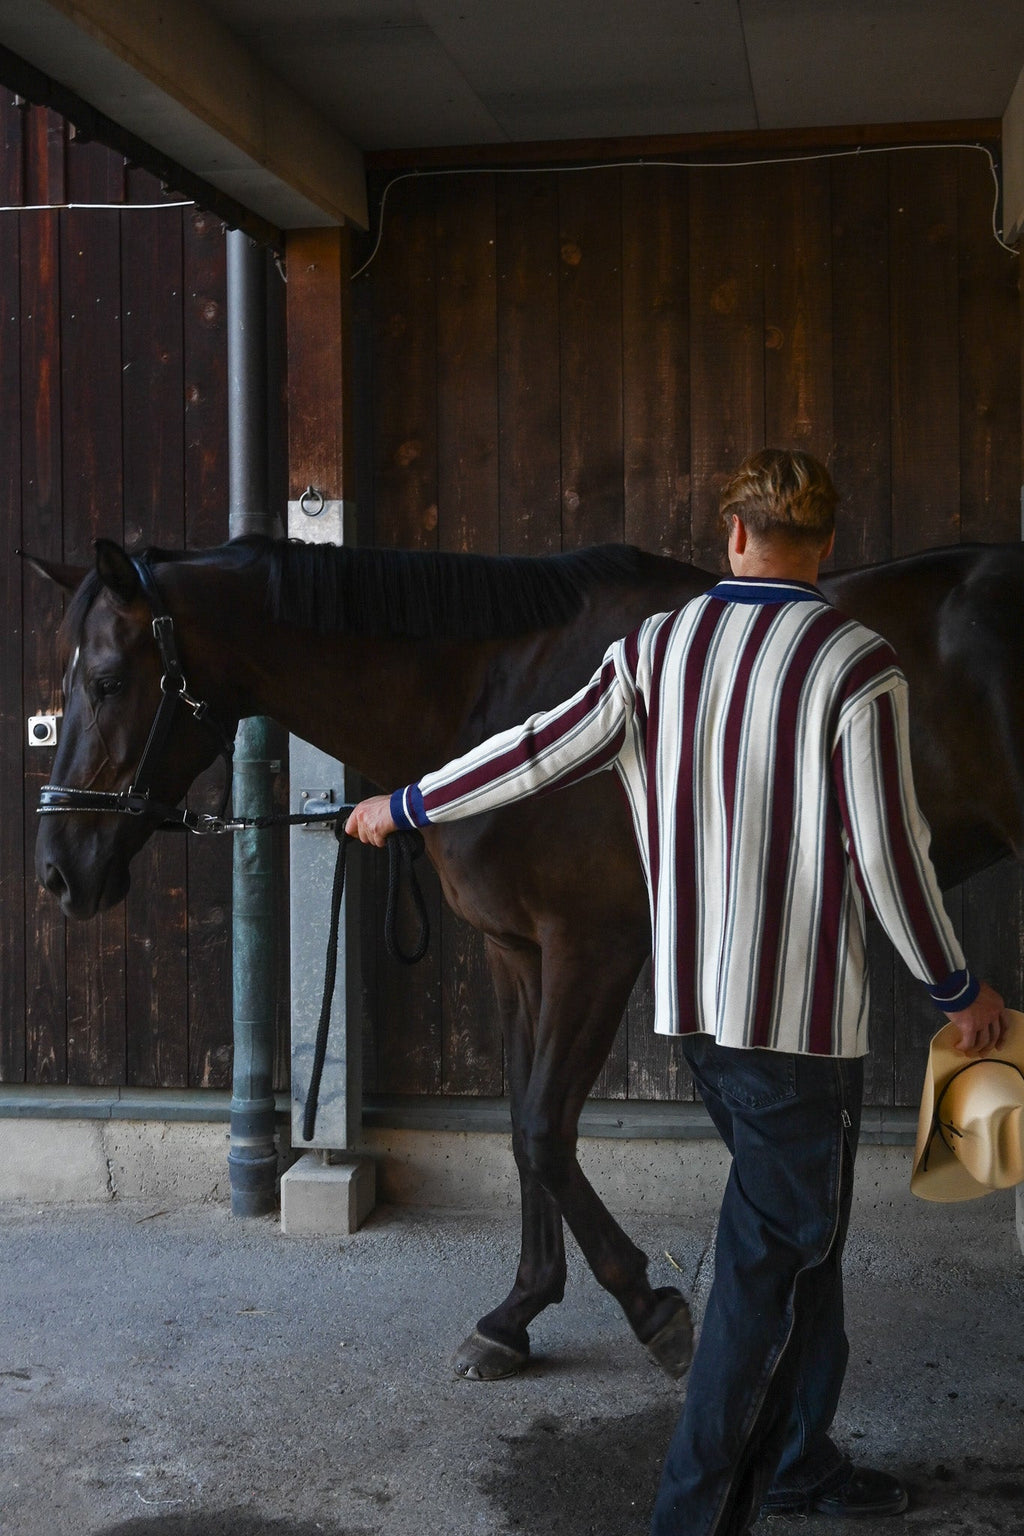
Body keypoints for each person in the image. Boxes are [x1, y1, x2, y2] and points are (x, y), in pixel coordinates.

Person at [346, 449, 1006, 1536]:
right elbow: (891, 854)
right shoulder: (856, 665)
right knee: (766, 1274)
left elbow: (533, 752)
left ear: (734, 535)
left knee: (804, 1247)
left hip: (699, 1022)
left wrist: (407, 804)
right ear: (826, 546)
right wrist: (956, 988)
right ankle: (693, 1515)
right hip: (800, 1039)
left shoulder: (656, 647)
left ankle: (799, 1457)